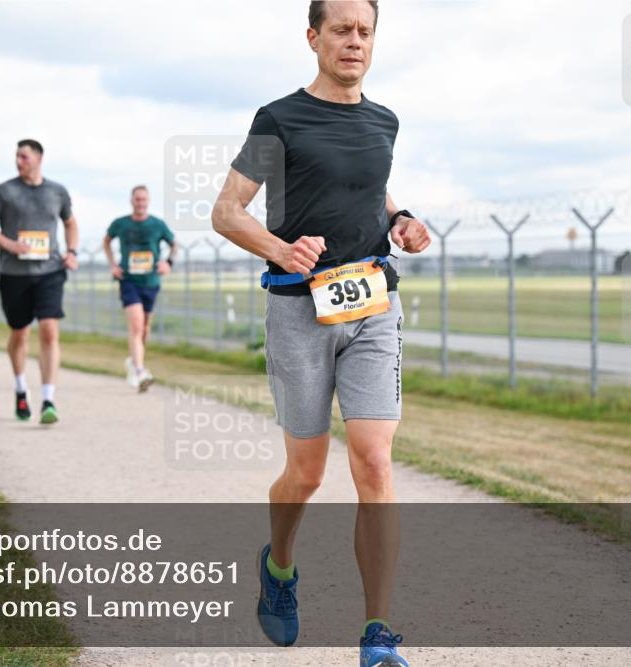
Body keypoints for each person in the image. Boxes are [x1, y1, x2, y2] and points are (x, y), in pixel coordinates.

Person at [212, 2, 431, 665]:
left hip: (373, 305)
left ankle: (378, 633)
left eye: (365, 31)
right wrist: (280, 249)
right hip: (299, 311)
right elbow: (227, 210)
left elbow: (373, 189)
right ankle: (278, 567)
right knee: (305, 474)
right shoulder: (278, 119)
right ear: (314, 38)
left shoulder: (384, 121)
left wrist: (404, 219)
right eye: (341, 29)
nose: (355, 41)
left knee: (372, 460)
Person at [0, 138, 79, 424]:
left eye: (24, 156)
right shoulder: (4, 191)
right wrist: (8, 244)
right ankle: (21, 389)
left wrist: (71, 252)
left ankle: (49, 399)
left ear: (38, 158)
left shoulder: (57, 191)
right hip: (14, 274)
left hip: (50, 271)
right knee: (20, 333)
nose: (18, 161)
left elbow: (70, 223)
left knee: (49, 330)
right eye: (16, 157)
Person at [103, 185, 177, 392]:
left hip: (151, 282)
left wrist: (168, 263)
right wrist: (113, 265)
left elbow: (174, 245)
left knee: (144, 329)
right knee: (136, 326)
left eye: (144, 200)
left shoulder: (157, 224)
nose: (140, 203)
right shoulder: (120, 224)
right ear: (131, 201)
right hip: (128, 280)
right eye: (137, 199)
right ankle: (140, 371)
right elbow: (106, 241)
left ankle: (134, 362)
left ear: (148, 201)